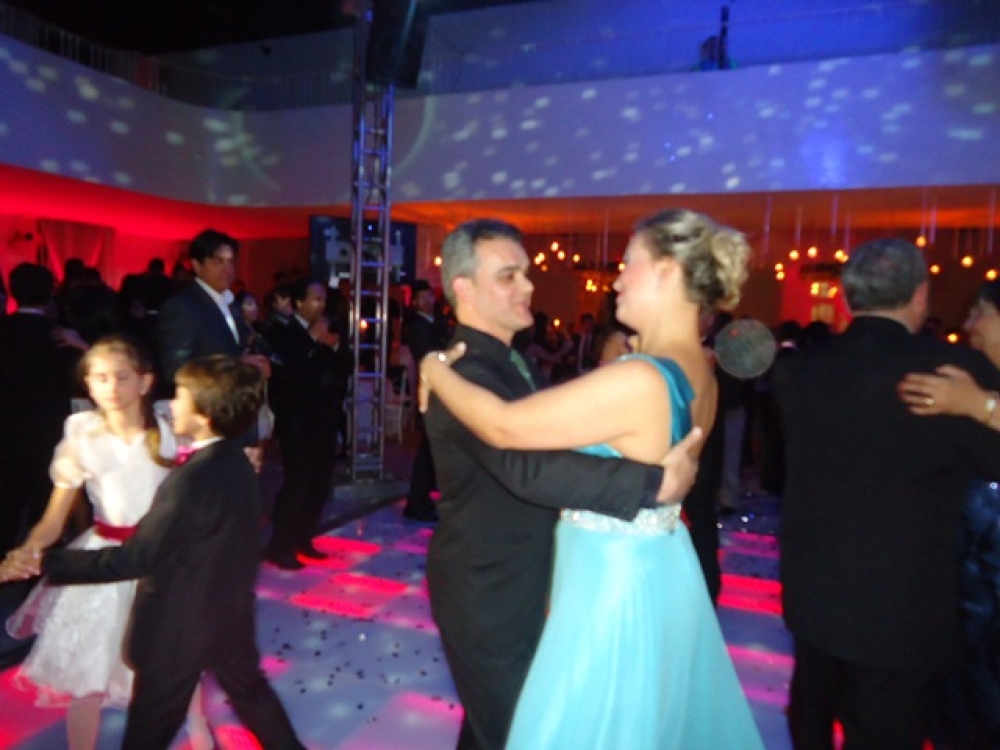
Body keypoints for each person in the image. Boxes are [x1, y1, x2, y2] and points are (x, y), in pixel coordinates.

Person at [418, 217, 721, 750]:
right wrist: (649, 484)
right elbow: (526, 469)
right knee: (514, 729)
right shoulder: (464, 370)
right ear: (463, 289)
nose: (528, 286)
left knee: (505, 726)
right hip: (490, 589)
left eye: (526, 273)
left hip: (532, 580)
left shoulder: (508, 359)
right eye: (508, 276)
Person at [1, 355, 305, 750]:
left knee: (150, 729)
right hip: (227, 615)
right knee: (252, 696)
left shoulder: (194, 478)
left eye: (181, 397)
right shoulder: (233, 462)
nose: (171, 404)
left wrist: (46, 561)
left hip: (180, 628)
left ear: (204, 413)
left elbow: (136, 558)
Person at [773, 238, 1000, 750]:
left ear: (847, 297)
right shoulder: (954, 373)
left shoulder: (800, 369)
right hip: (902, 608)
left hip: (813, 593)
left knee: (810, 723)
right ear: (920, 294)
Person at [3, 336, 212, 750]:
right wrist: (28, 549)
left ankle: (199, 732)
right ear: (88, 384)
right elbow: (53, 519)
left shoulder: (169, 431)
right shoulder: (82, 434)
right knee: (88, 673)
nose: (111, 387)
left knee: (176, 664)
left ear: (144, 381)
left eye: (121, 376)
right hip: (103, 563)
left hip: (161, 561)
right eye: (100, 378)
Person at [897, 279, 1000, 748]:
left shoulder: (972, 393)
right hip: (958, 606)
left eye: (981, 313)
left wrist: (980, 406)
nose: (969, 324)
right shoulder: (965, 377)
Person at [264, 279, 348, 570]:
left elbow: (345, 366)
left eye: (323, 299)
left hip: (325, 417)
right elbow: (286, 372)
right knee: (297, 483)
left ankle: (303, 538)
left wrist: (335, 346)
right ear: (299, 302)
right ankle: (280, 545)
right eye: (315, 299)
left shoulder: (328, 328)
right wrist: (312, 341)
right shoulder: (284, 331)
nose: (321, 305)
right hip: (297, 420)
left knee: (319, 484)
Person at [0, 263, 80, 555]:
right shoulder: (60, 337)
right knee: (43, 506)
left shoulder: (4, 330)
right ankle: (37, 567)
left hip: (6, 430)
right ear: (49, 294)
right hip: (48, 431)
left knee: (5, 505)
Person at [402, 279, 449, 522]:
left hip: (438, 390)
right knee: (428, 449)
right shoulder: (419, 326)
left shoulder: (435, 322)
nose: (428, 300)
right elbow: (429, 356)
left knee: (431, 448)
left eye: (429, 295)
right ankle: (418, 501)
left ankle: (422, 498)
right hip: (431, 391)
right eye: (423, 297)